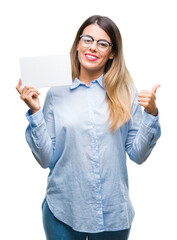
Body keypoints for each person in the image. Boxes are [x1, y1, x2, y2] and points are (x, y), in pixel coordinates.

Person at [16, 15, 161, 240]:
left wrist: (151, 114)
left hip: (113, 214)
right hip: (62, 211)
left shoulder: (126, 92)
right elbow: (46, 159)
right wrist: (35, 112)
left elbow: (138, 155)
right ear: (77, 45)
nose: (93, 47)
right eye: (87, 40)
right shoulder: (56, 93)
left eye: (102, 43)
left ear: (112, 52)